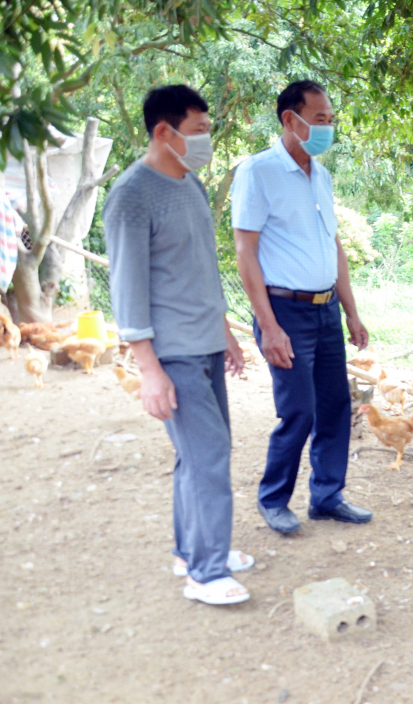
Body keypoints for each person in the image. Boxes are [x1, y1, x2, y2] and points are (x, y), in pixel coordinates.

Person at [104, 85, 251, 605]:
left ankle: (193, 550)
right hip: (172, 354)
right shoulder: (131, 195)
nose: (206, 142)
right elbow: (127, 288)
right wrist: (148, 369)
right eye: (199, 131)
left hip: (206, 344)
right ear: (164, 133)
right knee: (208, 457)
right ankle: (206, 575)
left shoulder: (187, 184)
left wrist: (226, 333)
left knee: (199, 457)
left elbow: (200, 270)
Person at [231, 80, 372, 534]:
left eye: (331, 119)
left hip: (326, 309)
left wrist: (351, 311)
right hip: (284, 311)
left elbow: (334, 247)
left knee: (334, 408)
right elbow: (245, 252)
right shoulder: (258, 172)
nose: (327, 127)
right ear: (290, 119)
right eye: (319, 119)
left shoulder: (321, 176)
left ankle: (327, 497)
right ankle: (274, 500)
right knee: (300, 411)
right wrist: (268, 326)